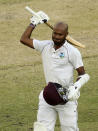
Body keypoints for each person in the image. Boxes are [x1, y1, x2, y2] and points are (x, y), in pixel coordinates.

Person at [20, 14, 90, 131]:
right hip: (47, 95)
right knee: (41, 129)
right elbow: (24, 39)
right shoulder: (45, 46)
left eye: (60, 34)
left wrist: (75, 87)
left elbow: (83, 74)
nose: (56, 37)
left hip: (66, 97)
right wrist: (33, 23)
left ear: (66, 35)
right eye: (55, 33)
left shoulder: (72, 52)